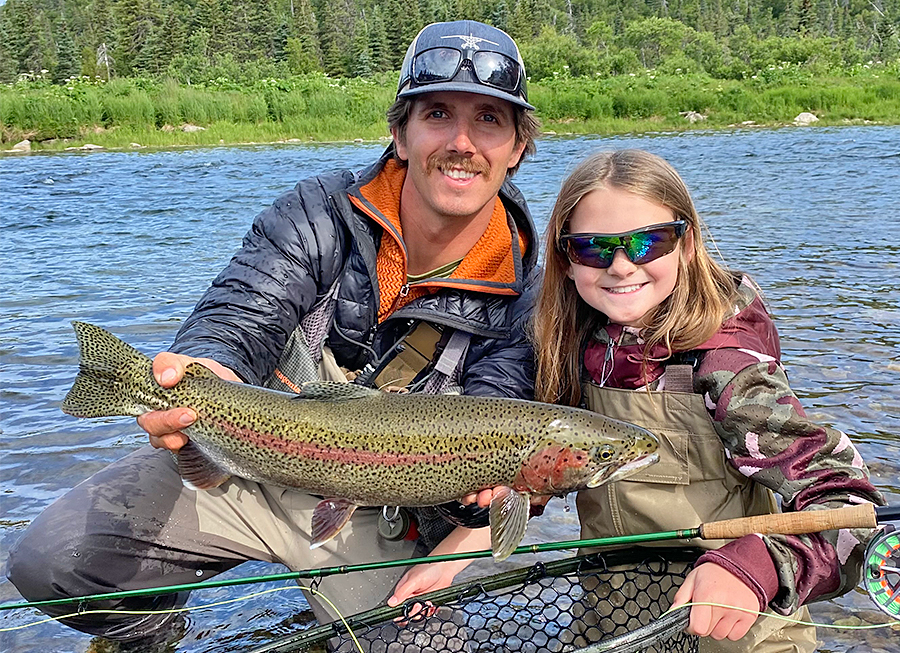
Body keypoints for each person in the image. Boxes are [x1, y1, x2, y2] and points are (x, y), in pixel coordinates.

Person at [7, 20, 541, 645]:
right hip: (251, 460)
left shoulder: (530, 286)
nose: (461, 142)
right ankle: (150, 631)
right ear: (400, 133)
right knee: (54, 561)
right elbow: (239, 315)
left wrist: (474, 506)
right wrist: (204, 372)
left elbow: (498, 418)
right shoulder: (318, 214)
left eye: (489, 120)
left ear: (517, 147)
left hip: (383, 507)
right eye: (438, 114)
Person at [528, 149, 884, 652]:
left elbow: (850, 508)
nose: (622, 265)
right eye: (594, 248)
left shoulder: (728, 366)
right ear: (566, 261)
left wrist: (758, 566)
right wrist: (519, 489)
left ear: (687, 244)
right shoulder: (574, 345)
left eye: (649, 243)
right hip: (616, 625)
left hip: (737, 633)